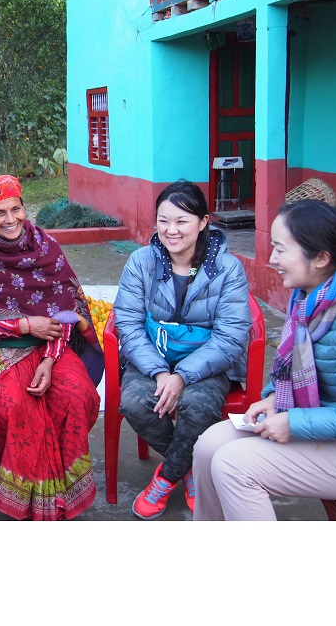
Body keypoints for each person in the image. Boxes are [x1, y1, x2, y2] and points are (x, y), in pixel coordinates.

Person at [193, 199, 336, 520]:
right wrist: (274, 398)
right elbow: (295, 367)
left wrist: (296, 423)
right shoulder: (308, 299)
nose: (272, 259)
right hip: (325, 423)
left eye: (281, 250)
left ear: (321, 258)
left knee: (234, 465)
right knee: (208, 446)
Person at [0, 174, 102, 521]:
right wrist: (23, 325)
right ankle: (25, 498)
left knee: (75, 395)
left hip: (53, 344)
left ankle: (63, 492)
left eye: (16, 209)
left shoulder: (46, 246)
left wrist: (51, 361)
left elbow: (69, 310)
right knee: (12, 405)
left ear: (25, 207)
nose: (10, 220)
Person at [113, 180, 251, 519]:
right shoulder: (140, 262)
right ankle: (189, 468)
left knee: (199, 406)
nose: (171, 230)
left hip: (206, 364)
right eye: (163, 220)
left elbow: (231, 336)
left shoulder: (228, 268)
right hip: (152, 360)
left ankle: (165, 478)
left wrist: (183, 376)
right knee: (134, 402)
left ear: (203, 222)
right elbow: (127, 325)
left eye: (182, 221)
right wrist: (161, 372)